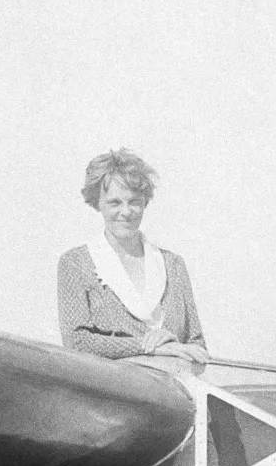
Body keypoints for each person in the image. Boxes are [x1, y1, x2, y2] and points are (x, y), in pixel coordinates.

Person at [57, 149, 208, 368]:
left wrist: (171, 341)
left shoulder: (173, 264)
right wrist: (147, 347)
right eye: (114, 202)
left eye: (134, 201)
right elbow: (76, 342)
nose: (126, 212)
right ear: (97, 203)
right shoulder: (75, 262)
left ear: (145, 202)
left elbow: (197, 345)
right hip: (112, 394)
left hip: (171, 395)